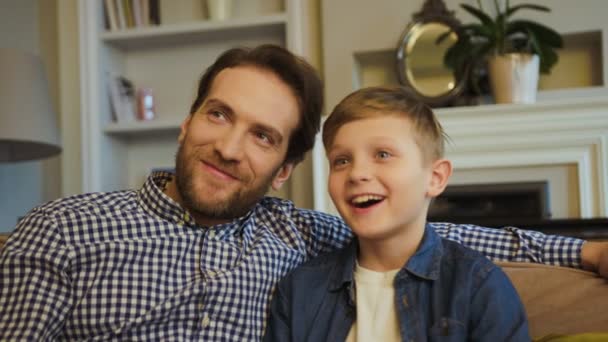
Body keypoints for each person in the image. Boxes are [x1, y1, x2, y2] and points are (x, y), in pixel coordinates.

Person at [0, 44, 605, 341]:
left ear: (284, 169)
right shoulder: (61, 229)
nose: (231, 148)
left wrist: (582, 252)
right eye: (218, 115)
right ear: (187, 122)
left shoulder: (297, 233)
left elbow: (422, 235)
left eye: (262, 136)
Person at [264, 86, 529, 341]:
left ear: (435, 178)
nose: (357, 174)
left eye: (382, 154)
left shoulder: (479, 286)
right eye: (342, 161)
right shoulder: (300, 290)